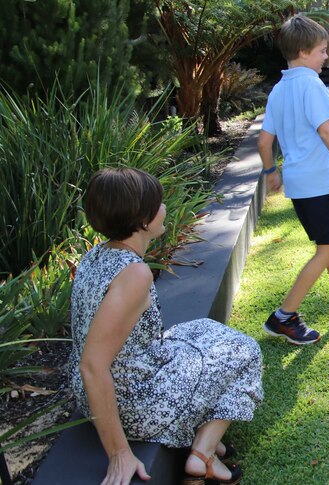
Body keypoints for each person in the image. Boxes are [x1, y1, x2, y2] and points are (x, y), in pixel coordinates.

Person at [70, 168, 263, 485]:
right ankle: (203, 454)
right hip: (133, 401)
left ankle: (203, 441)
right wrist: (118, 453)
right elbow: (93, 364)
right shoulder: (134, 274)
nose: (165, 209)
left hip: (119, 380)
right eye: (158, 204)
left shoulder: (96, 255)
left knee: (204, 330)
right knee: (247, 351)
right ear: (142, 220)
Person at [257, 14, 329, 345]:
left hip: (300, 185)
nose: (326, 57)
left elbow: (265, 142)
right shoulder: (312, 85)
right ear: (305, 52)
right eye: (323, 50)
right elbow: (327, 131)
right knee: (325, 250)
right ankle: (284, 316)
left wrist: (271, 173)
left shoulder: (279, 89)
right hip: (320, 184)